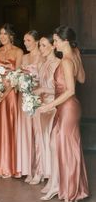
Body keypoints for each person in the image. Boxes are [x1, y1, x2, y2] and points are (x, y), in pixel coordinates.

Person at [39, 26, 89, 202]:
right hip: (66, 107)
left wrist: (49, 106)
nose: (55, 44)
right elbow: (82, 78)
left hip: (67, 107)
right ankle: (57, 185)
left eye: (57, 41)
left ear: (65, 41)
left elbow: (70, 90)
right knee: (55, 143)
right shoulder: (73, 56)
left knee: (66, 147)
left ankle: (70, 189)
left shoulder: (67, 61)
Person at [0, 23, 23, 178]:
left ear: (11, 36)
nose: (2, 36)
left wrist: (5, 94)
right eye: (0, 33)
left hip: (11, 95)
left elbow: (17, 76)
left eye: (5, 34)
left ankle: (11, 166)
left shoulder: (18, 52)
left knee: (10, 127)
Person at [29, 35, 60, 186]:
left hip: (52, 106)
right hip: (39, 106)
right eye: (39, 45)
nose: (41, 48)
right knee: (38, 140)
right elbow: (38, 84)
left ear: (53, 46)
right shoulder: (42, 64)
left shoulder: (58, 64)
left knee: (50, 140)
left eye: (43, 45)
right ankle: (40, 171)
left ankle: (51, 173)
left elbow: (62, 90)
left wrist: (42, 89)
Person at [16, 30, 43, 182]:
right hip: (24, 97)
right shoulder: (24, 57)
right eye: (24, 40)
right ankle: (29, 169)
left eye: (28, 40)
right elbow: (17, 76)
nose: (25, 43)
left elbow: (45, 78)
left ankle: (39, 169)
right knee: (26, 133)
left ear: (37, 41)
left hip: (38, 97)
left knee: (38, 134)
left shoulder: (43, 56)